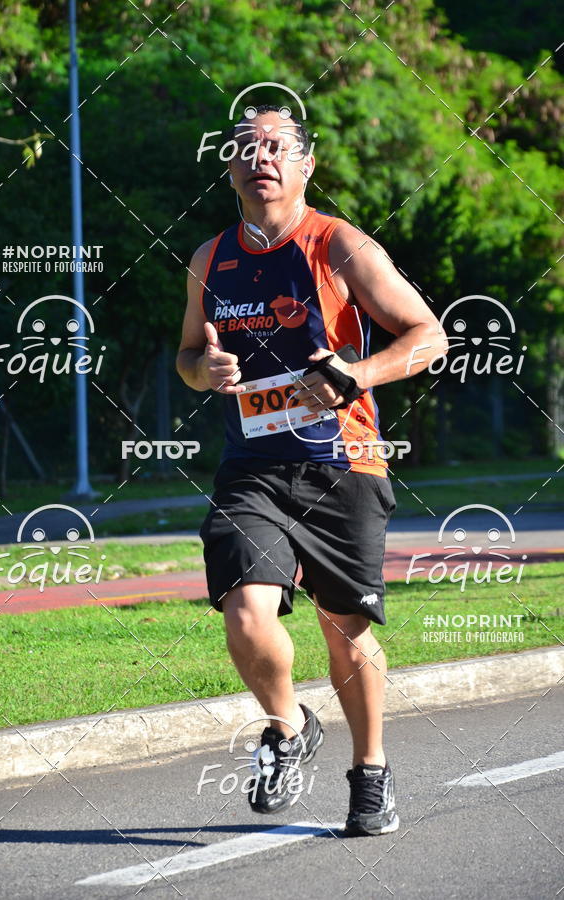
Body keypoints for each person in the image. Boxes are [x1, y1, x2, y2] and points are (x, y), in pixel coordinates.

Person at [176, 104, 446, 835]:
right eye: (244, 148)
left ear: (306, 165)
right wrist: (206, 371)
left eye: (276, 148)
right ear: (229, 168)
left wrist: (356, 375)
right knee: (245, 612)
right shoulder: (209, 258)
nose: (259, 159)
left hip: (342, 464)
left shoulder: (340, 245)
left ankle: (371, 771)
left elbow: (430, 337)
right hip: (252, 468)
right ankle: (288, 727)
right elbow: (188, 358)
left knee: (345, 632)